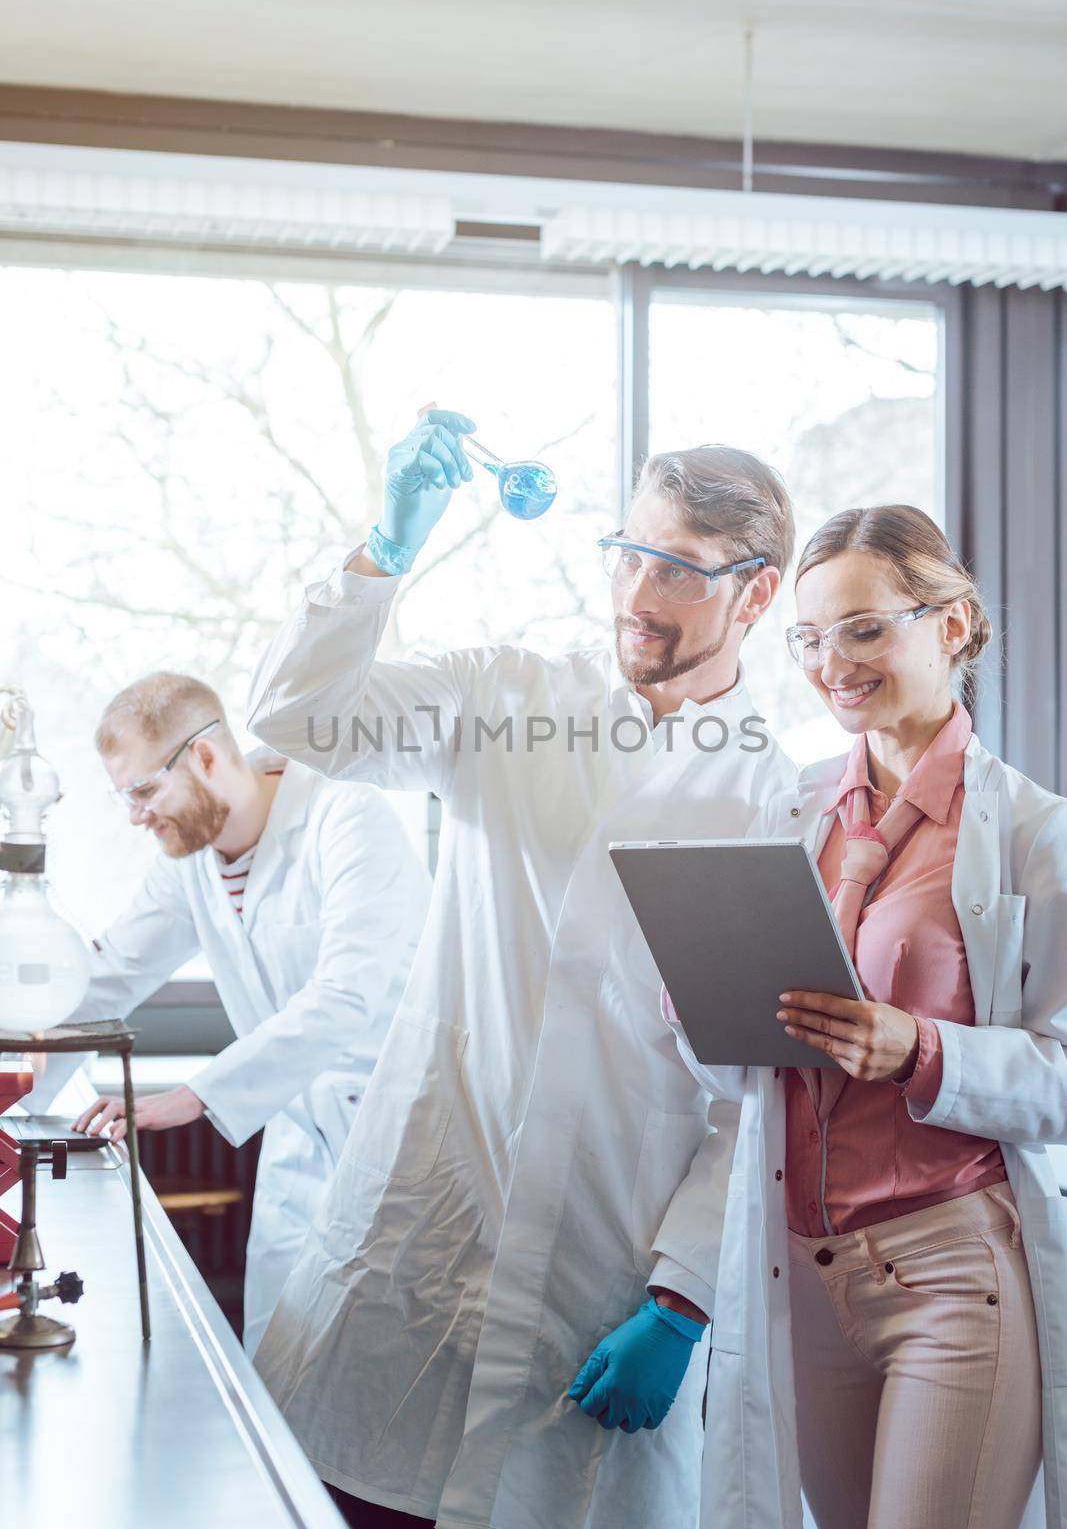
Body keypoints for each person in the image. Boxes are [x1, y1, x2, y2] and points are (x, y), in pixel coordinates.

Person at [245, 408, 797, 1529]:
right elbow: (299, 714)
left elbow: (756, 1092)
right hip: (415, 1239)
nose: (637, 595)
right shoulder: (506, 698)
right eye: (628, 553)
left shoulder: (766, 800)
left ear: (757, 593)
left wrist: (681, 1299)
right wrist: (383, 549)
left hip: (594, 1284)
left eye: (679, 571)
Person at [665, 505, 1067, 1529]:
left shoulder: (1032, 833)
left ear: (954, 625)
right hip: (801, 1274)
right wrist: (703, 1007)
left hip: (948, 1271)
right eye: (807, 636)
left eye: (862, 628)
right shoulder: (791, 811)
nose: (830, 663)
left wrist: (919, 1049)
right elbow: (751, 1079)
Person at [24, 671, 430, 1355]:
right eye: (123, 796)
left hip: (401, 1144)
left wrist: (192, 1096)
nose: (135, 815)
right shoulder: (189, 863)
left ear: (206, 756)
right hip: (301, 1142)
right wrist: (14, 1102)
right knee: (282, 1366)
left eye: (144, 790)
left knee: (387, 1383)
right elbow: (106, 982)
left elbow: (346, 996)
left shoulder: (346, 817)